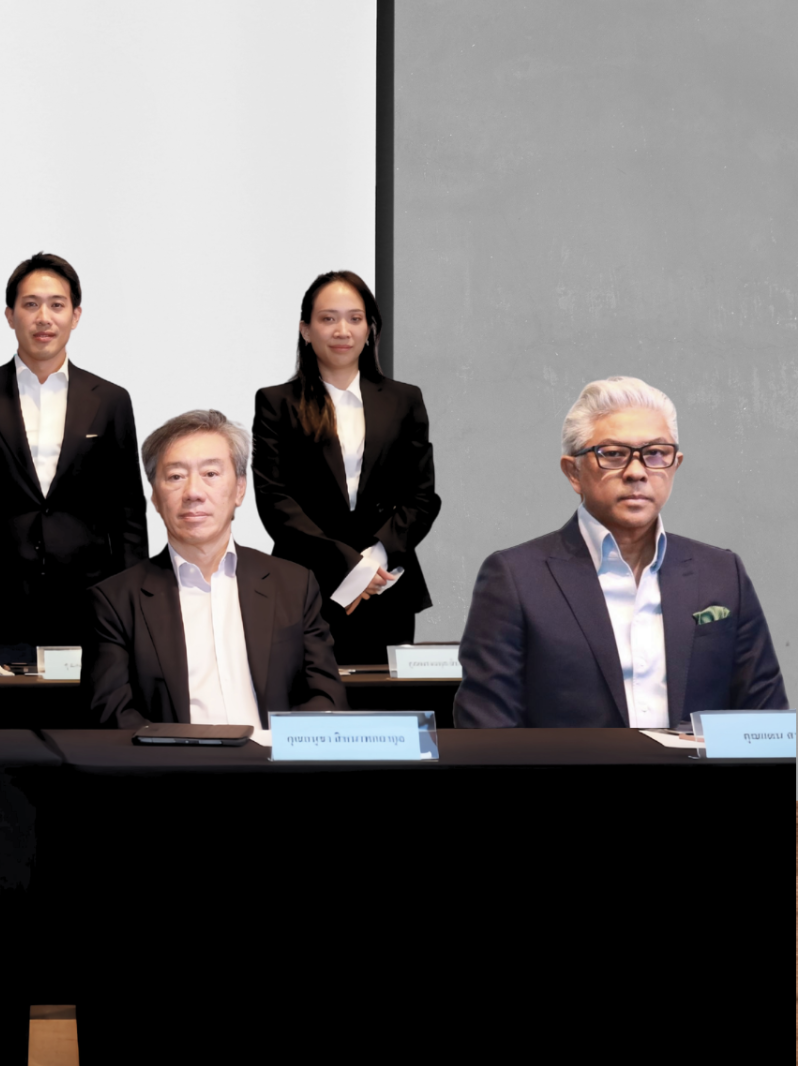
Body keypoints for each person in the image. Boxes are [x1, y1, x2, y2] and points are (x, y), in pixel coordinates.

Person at [456, 376, 785, 728]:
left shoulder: (722, 573)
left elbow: (767, 721)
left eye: (656, 453)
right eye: (613, 454)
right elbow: (488, 731)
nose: (637, 472)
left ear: (675, 464)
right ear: (573, 472)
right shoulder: (516, 578)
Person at [0, 253, 147, 666]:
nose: (43, 317)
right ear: (10, 315)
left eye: (56, 305)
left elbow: (129, 517)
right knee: (0, 707)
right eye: (30, 304)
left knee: (88, 707)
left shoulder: (110, 400)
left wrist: (131, 603)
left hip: (90, 605)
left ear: (76, 315)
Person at [85, 409, 346, 728]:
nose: (193, 493)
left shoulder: (293, 585)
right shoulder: (114, 601)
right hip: (174, 759)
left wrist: (276, 748)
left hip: (273, 757)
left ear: (239, 488)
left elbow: (326, 697)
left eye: (210, 473)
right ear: (154, 496)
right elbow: (112, 715)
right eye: (176, 477)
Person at [252, 271, 441, 665]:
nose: (342, 330)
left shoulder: (404, 400)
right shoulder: (276, 403)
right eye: (328, 318)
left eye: (355, 318)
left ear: (369, 329)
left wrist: (373, 562)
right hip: (306, 581)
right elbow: (275, 500)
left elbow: (422, 496)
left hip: (384, 585)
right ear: (306, 330)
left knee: (383, 696)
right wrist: (347, 564)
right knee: (306, 692)